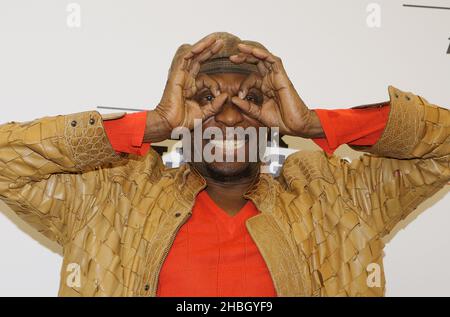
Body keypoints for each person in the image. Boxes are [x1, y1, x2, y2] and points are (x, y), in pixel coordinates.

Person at [0, 32, 448, 297]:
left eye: (252, 99)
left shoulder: (341, 196)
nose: (231, 116)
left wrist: (316, 124)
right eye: (206, 99)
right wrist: (143, 126)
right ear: (179, 115)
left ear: (275, 118)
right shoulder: (109, 195)